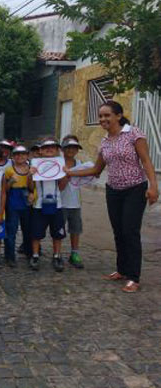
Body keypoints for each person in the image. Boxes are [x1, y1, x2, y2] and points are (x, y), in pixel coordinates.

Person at [66, 101, 159, 292]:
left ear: (118, 116)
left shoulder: (134, 133)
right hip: (113, 191)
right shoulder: (105, 142)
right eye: (100, 116)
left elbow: (146, 161)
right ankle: (122, 270)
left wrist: (153, 186)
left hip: (134, 189)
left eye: (107, 115)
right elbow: (96, 169)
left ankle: (134, 277)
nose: (102, 119)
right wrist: (69, 173)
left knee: (130, 231)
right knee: (118, 231)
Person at [29, 137, 67, 272]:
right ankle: (35, 255)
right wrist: (30, 174)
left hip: (56, 205)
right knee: (36, 233)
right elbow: (30, 185)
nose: (49, 149)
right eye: (46, 147)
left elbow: (62, 187)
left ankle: (57, 255)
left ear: (57, 150)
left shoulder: (60, 165)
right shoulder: (35, 164)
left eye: (52, 147)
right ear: (40, 151)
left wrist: (64, 174)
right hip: (39, 205)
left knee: (57, 233)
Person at [4, 145, 34, 267]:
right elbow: (4, 189)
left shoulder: (32, 169)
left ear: (27, 156)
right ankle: (9, 255)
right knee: (11, 229)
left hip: (27, 199)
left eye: (23, 154)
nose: (20, 157)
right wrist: (11, 182)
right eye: (17, 154)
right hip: (13, 200)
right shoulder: (9, 170)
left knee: (28, 228)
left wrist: (32, 193)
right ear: (13, 157)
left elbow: (33, 187)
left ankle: (29, 252)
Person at [58, 136, 85, 269]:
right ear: (63, 149)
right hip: (61, 202)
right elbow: (60, 186)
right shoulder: (58, 164)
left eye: (74, 148)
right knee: (59, 230)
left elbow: (86, 180)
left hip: (75, 203)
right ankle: (57, 254)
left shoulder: (80, 164)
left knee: (76, 230)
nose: (71, 150)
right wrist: (67, 176)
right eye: (68, 148)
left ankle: (74, 253)